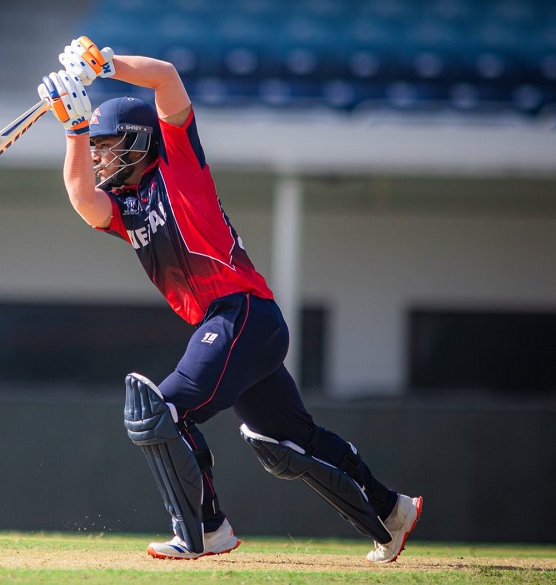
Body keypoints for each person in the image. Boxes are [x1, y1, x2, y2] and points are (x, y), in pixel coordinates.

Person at [36, 37, 422, 563]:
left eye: (106, 145)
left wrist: (105, 65)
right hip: (235, 326)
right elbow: (83, 200)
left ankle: (207, 528)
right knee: (288, 443)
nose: (99, 158)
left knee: (161, 413)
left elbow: (166, 78)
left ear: (138, 141)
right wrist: (74, 130)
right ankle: (392, 510)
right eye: (95, 148)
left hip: (241, 312)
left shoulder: (178, 164)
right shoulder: (124, 207)